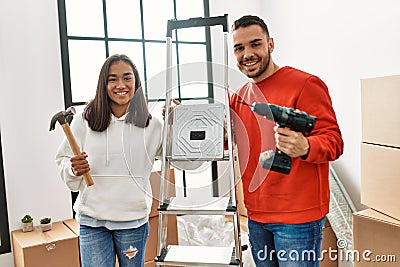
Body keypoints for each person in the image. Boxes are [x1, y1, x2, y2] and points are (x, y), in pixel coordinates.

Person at [229, 15, 344, 266]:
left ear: (270, 44)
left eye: (255, 44)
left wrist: (306, 146)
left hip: (298, 219)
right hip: (257, 216)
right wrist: (184, 119)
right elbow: (227, 141)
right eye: (239, 48)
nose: (247, 53)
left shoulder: (305, 84)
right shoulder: (238, 97)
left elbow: (334, 141)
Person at [55, 54, 163, 267]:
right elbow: (63, 160)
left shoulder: (153, 126)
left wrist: (180, 126)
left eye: (127, 78)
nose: (120, 85)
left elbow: (182, 161)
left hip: (132, 222)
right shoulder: (83, 120)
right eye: (112, 79)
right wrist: (72, 169)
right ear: (103, 84)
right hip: (92, 222)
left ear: (136, 82)